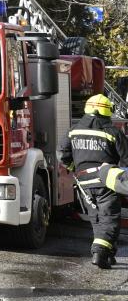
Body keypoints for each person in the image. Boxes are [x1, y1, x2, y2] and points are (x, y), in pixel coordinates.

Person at [60, 94, 127, 268]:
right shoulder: (112, 133)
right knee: (110, 218)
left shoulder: (73, 131)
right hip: (106, 181)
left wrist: (76, 168)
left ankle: (107, 254)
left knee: (97, 218)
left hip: (83, 183)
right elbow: (126, 159)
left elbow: (63, 155)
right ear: (107, 111)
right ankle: (99, 252)